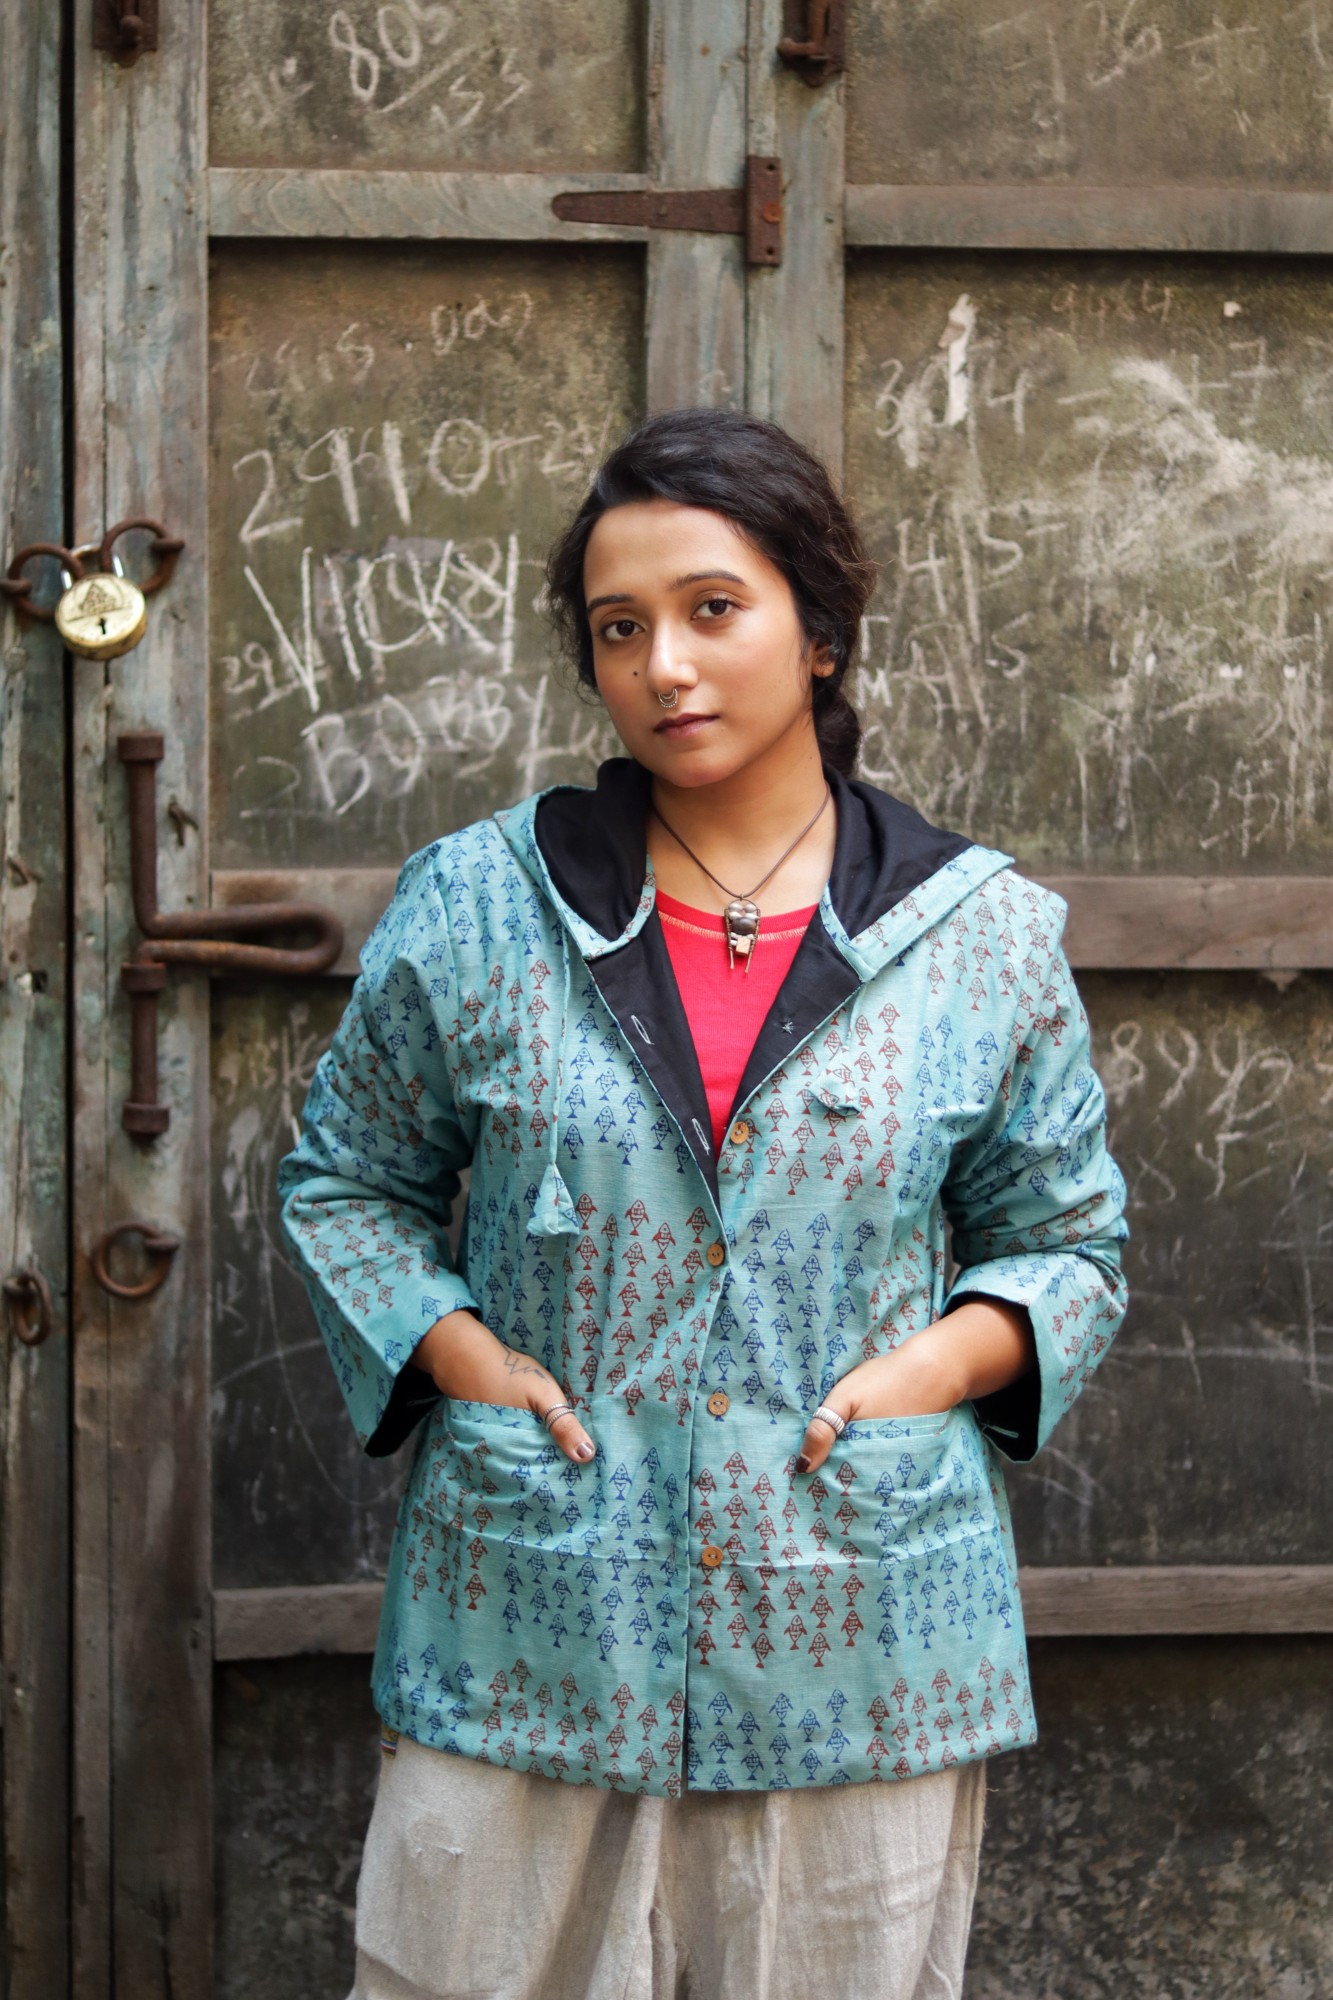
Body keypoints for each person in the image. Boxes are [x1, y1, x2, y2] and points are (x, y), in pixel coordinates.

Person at [278, 408, 1128, 2000]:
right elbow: (346, 1185)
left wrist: (929, 1371)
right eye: (619, 629)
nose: (663, 664)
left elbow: (1066, 1242)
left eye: (711, 609)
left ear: (819, 629)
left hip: (855, 1630)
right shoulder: (483, 904)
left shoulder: (980, 935)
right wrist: (459, 1353)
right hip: (530, 1612)